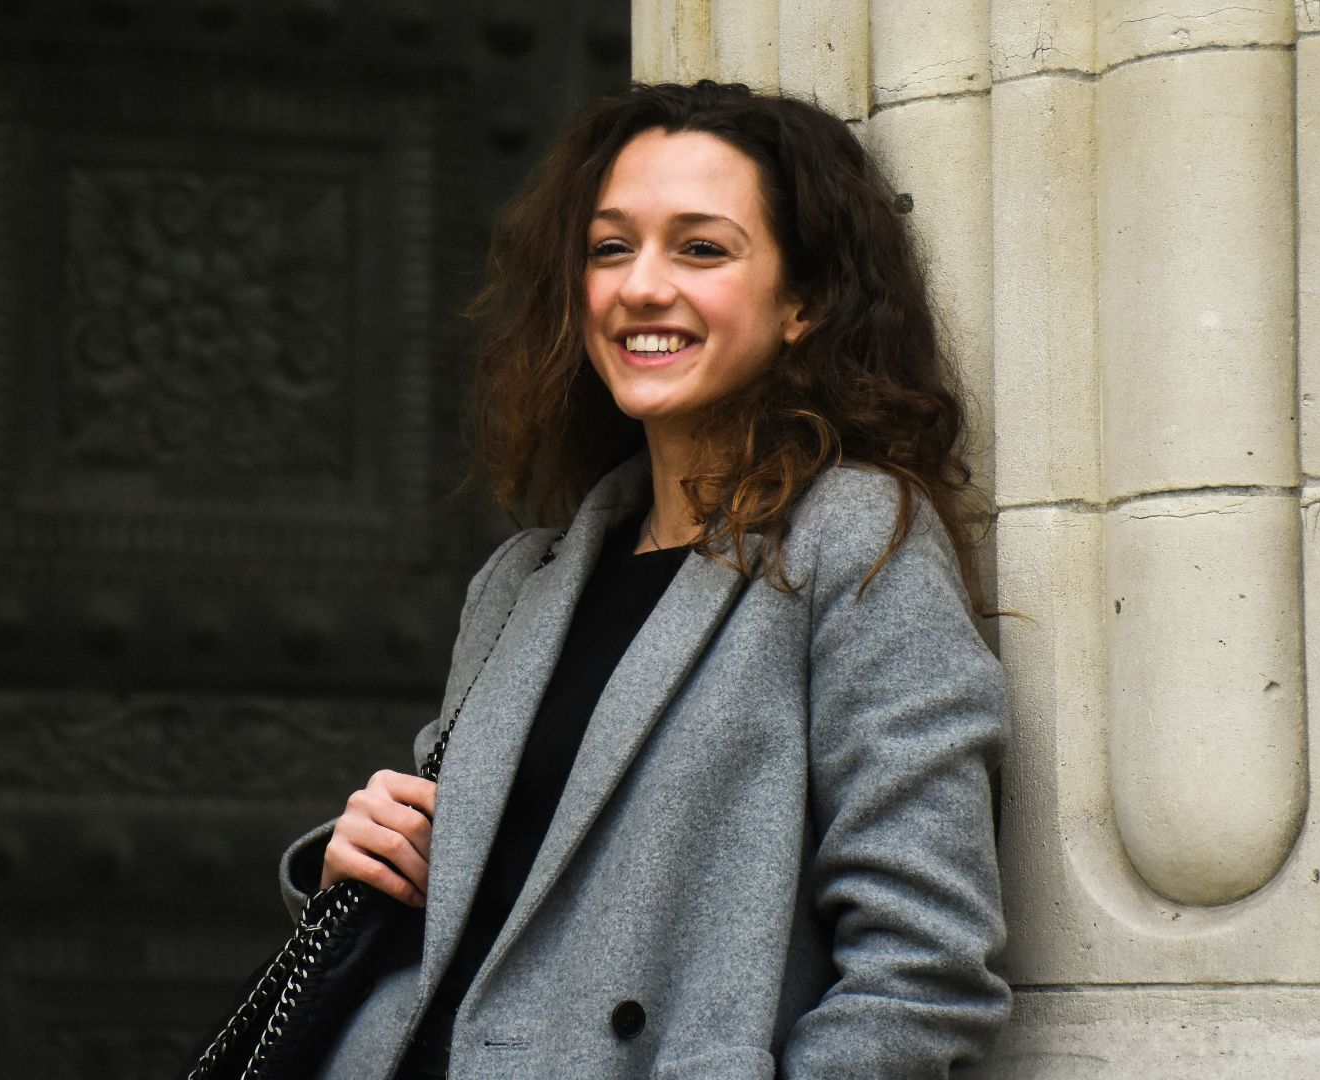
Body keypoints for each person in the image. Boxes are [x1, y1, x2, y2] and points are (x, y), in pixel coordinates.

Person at [277, 80, 1009, 1079]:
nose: (640, 287)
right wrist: (366, 859)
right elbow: (502, 929)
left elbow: (922, 968)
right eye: (610, 247)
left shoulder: (852, 538)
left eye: (701, 249)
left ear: (804, 302)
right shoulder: (521, 583)